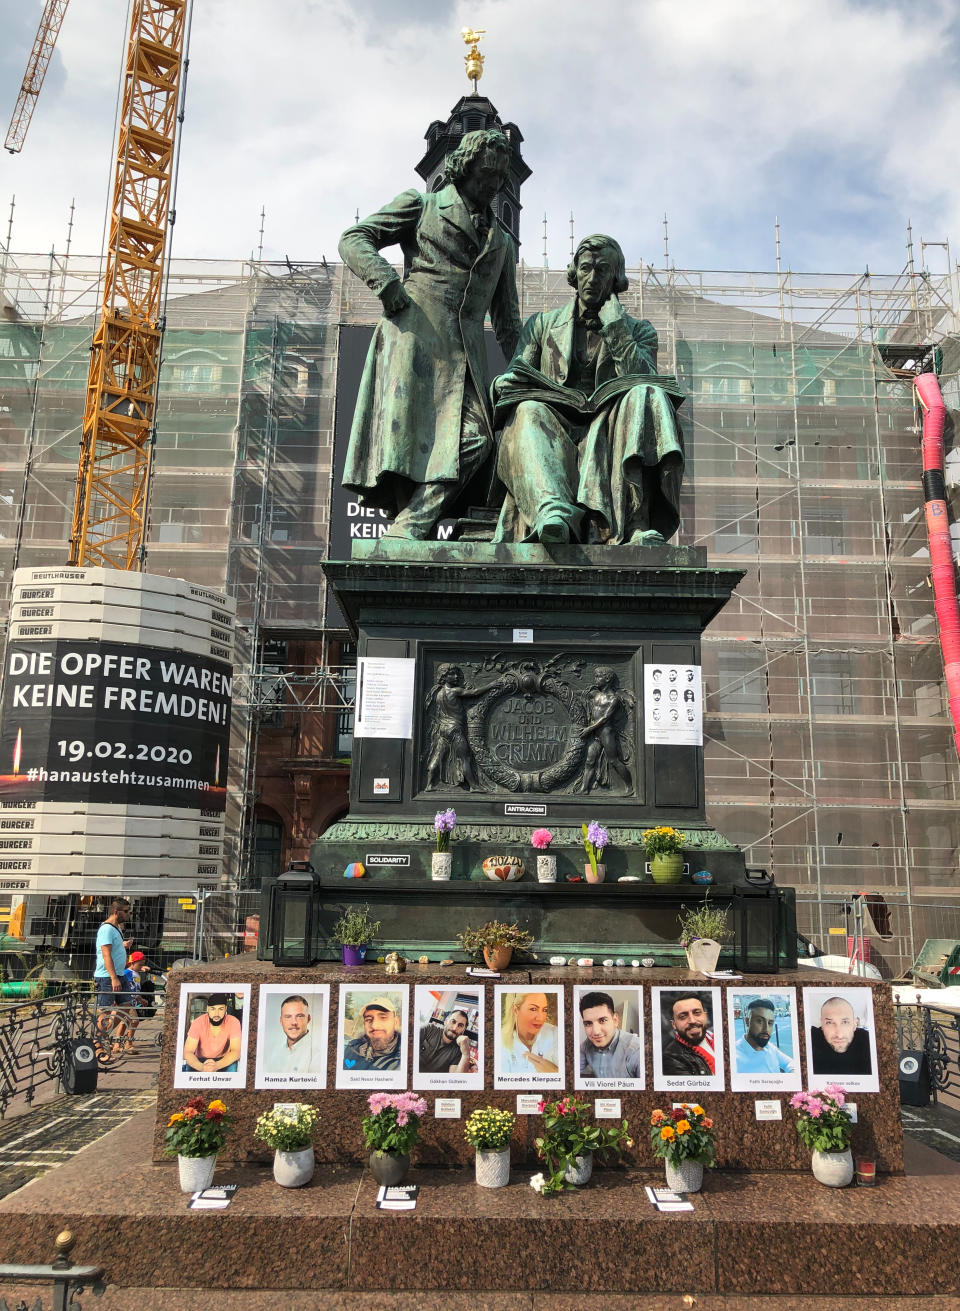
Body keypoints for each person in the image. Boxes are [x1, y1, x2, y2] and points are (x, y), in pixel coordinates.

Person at [339, 128, 521, 539]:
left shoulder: (502, 242)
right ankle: (409, 526)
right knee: (409, 445)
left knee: (478, 440)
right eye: (483, 177)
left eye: (497, 180)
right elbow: (354, 238)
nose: (490, 187)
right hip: (415, 338)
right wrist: (385, 282)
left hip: (468, 358)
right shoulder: (421, 206)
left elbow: (508, 324)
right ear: (463, 169)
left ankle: (412, 524)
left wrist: (537, 374)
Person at [492, 233, 684, 546]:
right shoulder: (542, 325)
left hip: (610, 427)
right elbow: (517, 375)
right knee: (527, 410)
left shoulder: (640, 331)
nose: (591, 278)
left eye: (602, 270)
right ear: (575, 272)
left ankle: (633, 524)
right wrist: (503, 384)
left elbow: (646, 380)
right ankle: (553, 517)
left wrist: (616, 329)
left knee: (645, 395)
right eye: (585, 269)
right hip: (553, 427)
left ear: (616, 277)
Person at [93, 898, 132, 1058]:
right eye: (126, 911)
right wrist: (113, 977)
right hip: (108, 977)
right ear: (116, 912)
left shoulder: (116, 928)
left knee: (125, 1007)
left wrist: (122, 946)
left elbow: (113, 949)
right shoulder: (107, 929)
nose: (128, 914)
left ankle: (103, 1035)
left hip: (119, 974)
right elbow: (105, 954)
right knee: (106, 1010)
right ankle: (98, 1045)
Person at [578, 990, 643, 1079]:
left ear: (615, 1020)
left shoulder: (636, 1050)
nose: (596, 1032)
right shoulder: (585, 1046)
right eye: (588, 1023)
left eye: (602, 1020)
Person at [810, 996, 872, 1076]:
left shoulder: (868, 1041)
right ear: (822, 1024)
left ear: (854, 1024)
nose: (839, 1035)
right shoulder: (811, 1039)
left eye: (845, 1022)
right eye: (829, 1023)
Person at [499, 992, 559, 1074]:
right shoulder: (500, 1043)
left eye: (544, 1010)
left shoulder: (555, 1034)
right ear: (515, 1010)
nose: (540, 1018)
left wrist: (555, 1072)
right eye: (533, 1009)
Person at [182, 993, 242, 1073]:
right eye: (213, 1009)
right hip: (200, 1060)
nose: (216, 1014)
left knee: (233, 1068)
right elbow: (188, 1052)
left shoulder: (233, 1022)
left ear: (225, 1009)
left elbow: (236, 1051)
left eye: (220, 1009)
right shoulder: (198, 1022)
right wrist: (202, 1067)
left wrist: (217, 1066)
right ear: (207, 1009)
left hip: (224, 1060)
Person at [734, 998, 794, 1075]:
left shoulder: (769, 1047)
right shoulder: (735, 1058)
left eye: (770, 1023)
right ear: (747, 1021)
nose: (766, 1029)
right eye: (760, 1021)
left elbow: (789, 1063)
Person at [661, 993, 716, 1076]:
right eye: (683, 1016)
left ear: (705, 1016)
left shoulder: (718, 1038)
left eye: (697, 1013)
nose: (692, 1020)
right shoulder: (672, 1058)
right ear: (674, 1025)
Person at [343, 995, 402, 1071]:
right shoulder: (352, 1049)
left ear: (396, 1022)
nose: (374, 1026)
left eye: (383, 1018)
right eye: (368, 1019)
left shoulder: (404, 1059)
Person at [265, 994, 319, 1075]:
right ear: (281, 1021)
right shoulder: (275, 1054)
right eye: (288, 1017)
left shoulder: (318, 1054)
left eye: (299, 1016)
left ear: (308, 1019)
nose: (294, 1022)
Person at [419, 1008, 476, 1074]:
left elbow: (456, 1079)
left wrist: (466, 1054)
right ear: (446, 1021)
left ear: (463, 1030)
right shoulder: (429, 1029)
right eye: (453, 1022)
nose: (455, 1028)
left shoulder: (458, 1051)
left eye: (460, 1025)